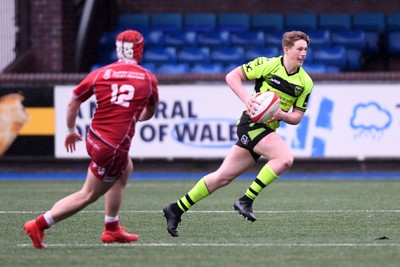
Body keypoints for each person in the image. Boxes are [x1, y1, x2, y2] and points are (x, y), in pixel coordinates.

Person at [163, 31, 313, 237]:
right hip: (251, 124)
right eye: (299, 49)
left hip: (267, 129)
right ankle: (246, 199)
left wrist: (281, 115)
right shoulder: (267, 65)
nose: (303, 53)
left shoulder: (306, 82)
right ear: (286, 49)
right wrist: (247, 99)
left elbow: (297, 117)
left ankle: (176, 208)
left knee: (222, 177)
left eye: (305, 49)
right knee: (284, 158)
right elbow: (232, 76)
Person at [23, 30, 159, 248]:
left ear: (118, 49)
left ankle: (112, 228)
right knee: (88, 194)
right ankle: (39, 224)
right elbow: (149, 112)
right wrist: (137, 116)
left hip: (94, 137)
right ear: (139, 50)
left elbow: (73, 101)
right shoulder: (147, 78)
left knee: (126, 169)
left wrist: (70, 130)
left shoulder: (100, 73)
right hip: (112, 148)